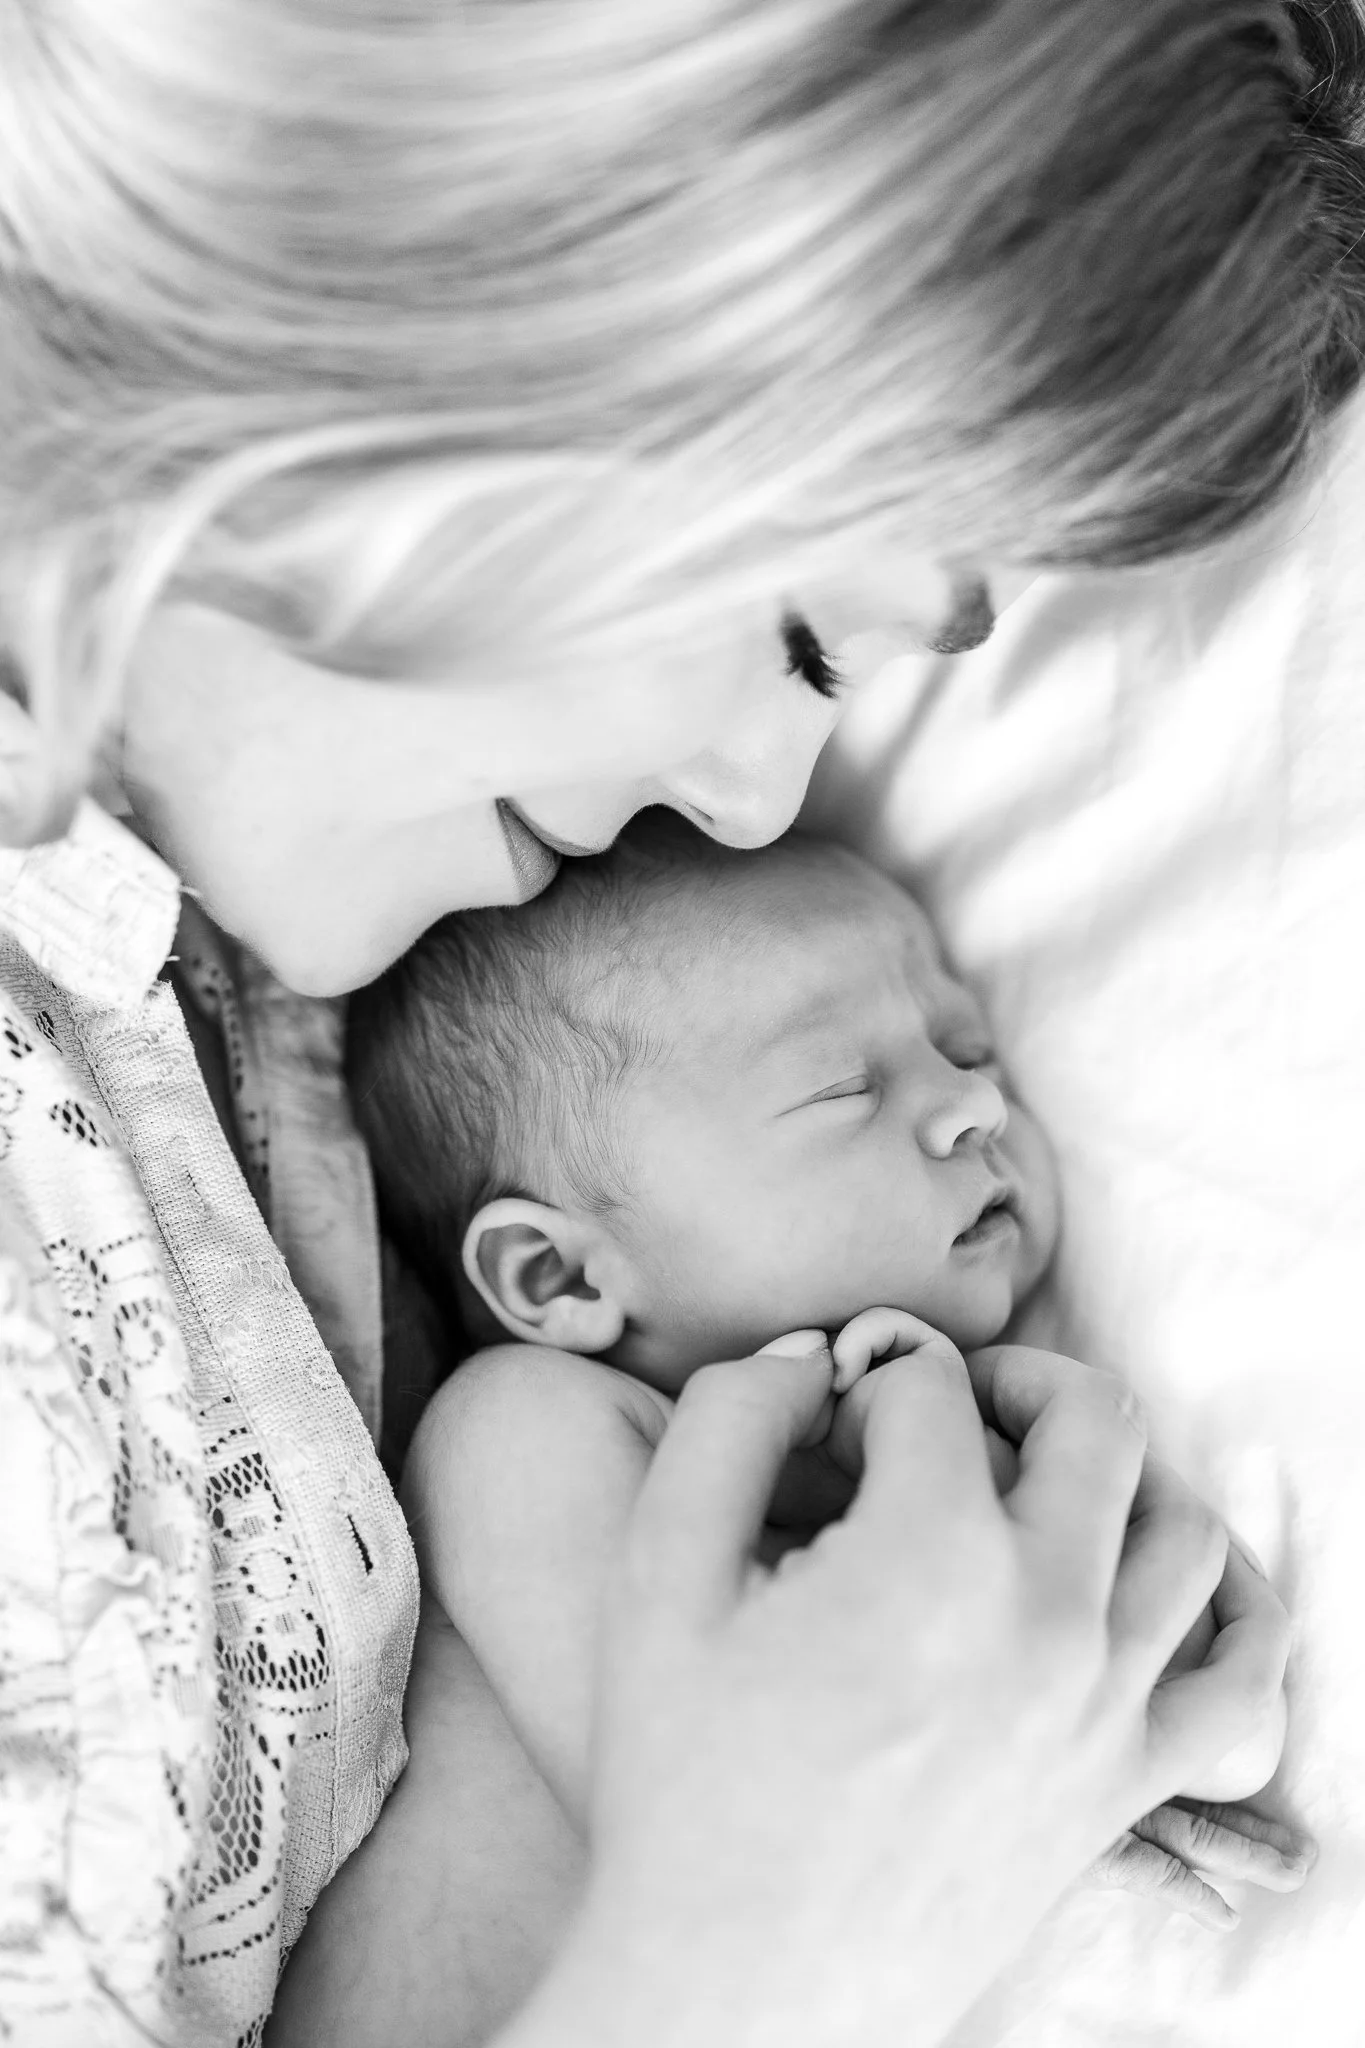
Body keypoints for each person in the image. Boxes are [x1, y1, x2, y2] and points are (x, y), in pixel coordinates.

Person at [1, 2, 1360, 2044]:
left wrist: (974, 1727)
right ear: (516, 296)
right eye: (798, 632)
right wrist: (793, 1931)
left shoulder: (249, 1024)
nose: (744, 804)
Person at [281, 819, 1310, 2043]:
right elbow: (717, 1817)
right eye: (843, 1087)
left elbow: (1214, 1721)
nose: (974, 1099)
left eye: (964, 1043)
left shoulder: (949, 1438)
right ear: (557, 1278)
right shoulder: (521, 1431)